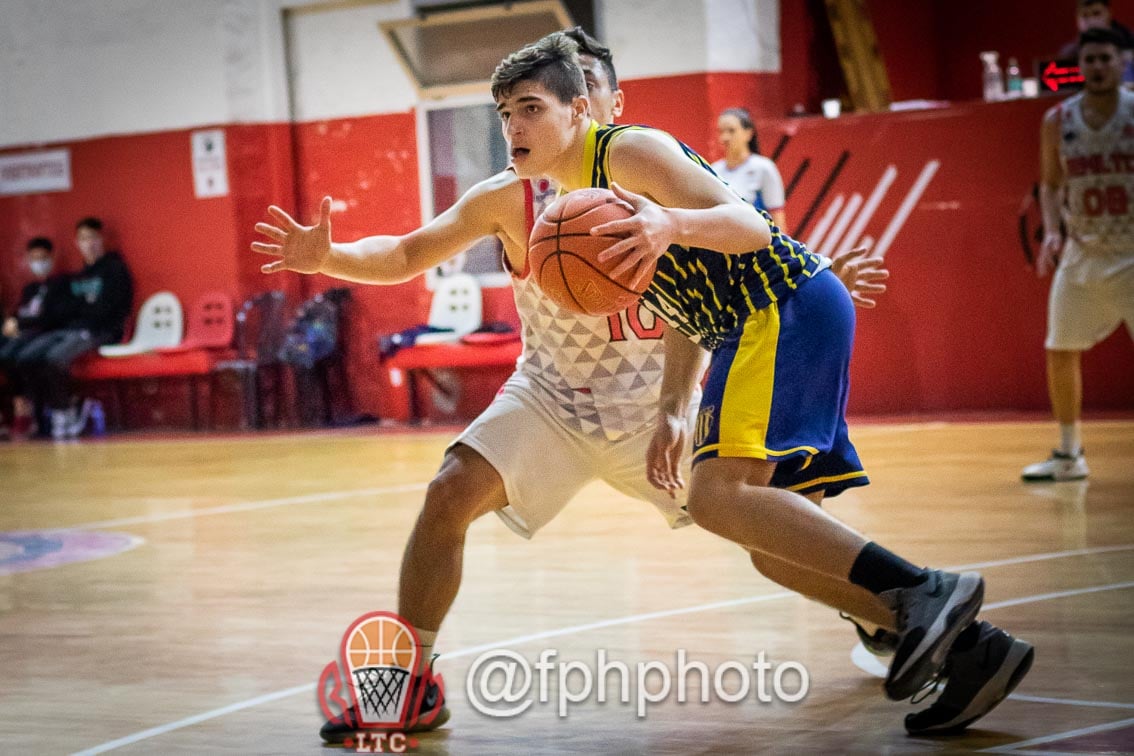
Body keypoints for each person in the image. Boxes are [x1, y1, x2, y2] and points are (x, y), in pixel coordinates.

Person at [254, 28, 891, 742]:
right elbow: (408, 251)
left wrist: (824, 272)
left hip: (656, 401)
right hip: (551, 398)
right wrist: (330, 256)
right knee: (449, 491)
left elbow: (747, 244)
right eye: (510, 110)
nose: (521, 123)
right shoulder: (508, 199)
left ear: (600, 105)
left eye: (551, 99)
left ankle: (890, 614)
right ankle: (412, 684)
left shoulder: (646, 170)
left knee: (768, 539)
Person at [488, 33, 1032, 734]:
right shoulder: (573, 201)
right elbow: (683, 307)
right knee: (772, 551)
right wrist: (672, 409)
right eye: (504, 113)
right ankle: (973, 652)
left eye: (530, 107)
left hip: (781, 304)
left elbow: (749, 225)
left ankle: (926, 593)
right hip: (753, 320)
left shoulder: (627, 152)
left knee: (716, 498)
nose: (514, 126)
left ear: (579, 107)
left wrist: (668, 222)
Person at [1025, 27, 1134, 482]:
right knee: (1060, 348)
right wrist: (1052, 231)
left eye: (1105, 58)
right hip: (1083, 251)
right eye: (1090, 60)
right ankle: (1069, 454)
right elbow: (1050, 184)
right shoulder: (1058, 119)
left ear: (1121, 60)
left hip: (1132, 252)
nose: (1097, 67)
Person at [19, 217, 133, 440]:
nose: (88, 243)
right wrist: (82, 308)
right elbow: (66, 310)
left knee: (55, 357)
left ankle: (66, 411)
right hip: (72, 329)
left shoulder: (115, 269)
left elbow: (109, 308)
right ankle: (48, 410)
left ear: (101, 240)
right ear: (77, 243)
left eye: (92, 237)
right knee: (27, 355)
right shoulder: (77, 277)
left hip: (102, 331)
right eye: (83, 238)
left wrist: (83, 310)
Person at [0, 237, 74, 439]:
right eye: (34, 258)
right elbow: (22, 313)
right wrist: (12, 322)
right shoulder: (29, 289)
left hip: (47, 334)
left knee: (26, 357)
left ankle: (33, 412)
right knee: (5, 352)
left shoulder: (61, 284)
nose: (38, 262)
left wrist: (22, 324)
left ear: (51, 257)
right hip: (26, 334)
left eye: (43, 258)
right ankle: (19, 407)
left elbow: (52, 318)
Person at [711, 107, 788, 231]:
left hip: (759, 244)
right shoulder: (714, 170)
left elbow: (777, 216)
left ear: (748, 133)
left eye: (731, 131)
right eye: (721, 131)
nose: (725, 137)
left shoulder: (764, 168)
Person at [1057, 0, 1134, 62]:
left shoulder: (1131, 41)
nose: (1091, 20)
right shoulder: (1069, 53)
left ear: (1109, 13)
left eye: (1096, 13)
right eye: (1085, 15)